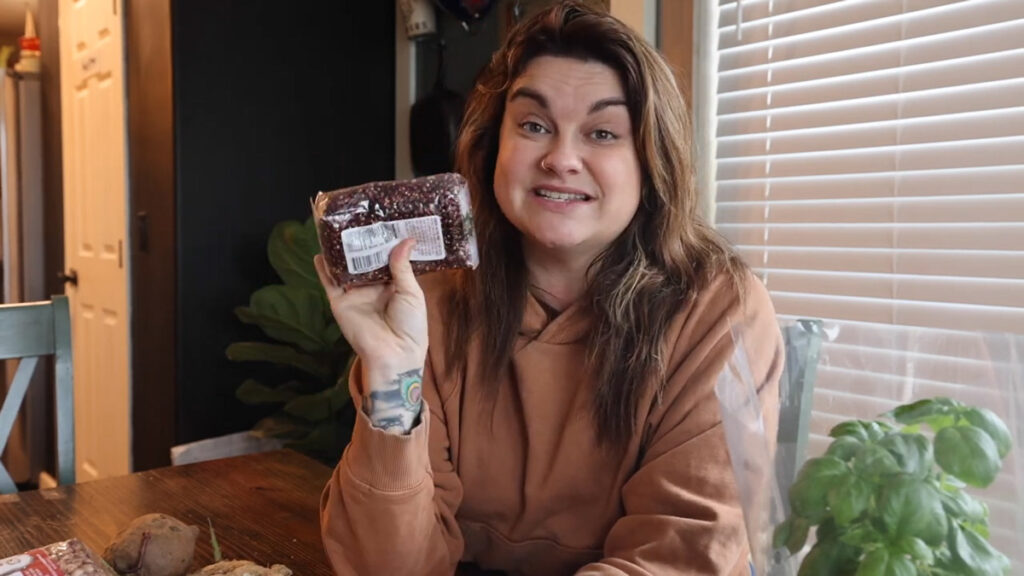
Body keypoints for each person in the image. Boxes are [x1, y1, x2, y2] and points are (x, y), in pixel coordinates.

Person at [315, 2, 783, 574]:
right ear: (495, 148)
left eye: (603, 132)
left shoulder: (717, 308)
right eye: (534, 126)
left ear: (652, 161)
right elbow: (383, 565)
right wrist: (393, 377)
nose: (561, 159)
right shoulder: (424, 295)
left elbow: (679, 555)